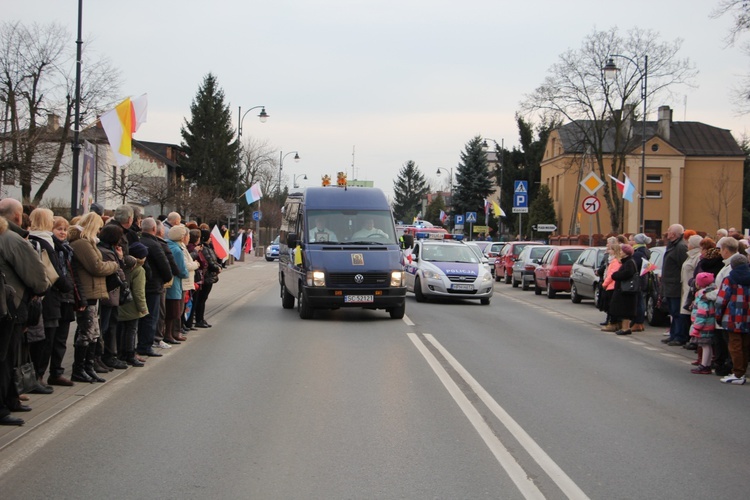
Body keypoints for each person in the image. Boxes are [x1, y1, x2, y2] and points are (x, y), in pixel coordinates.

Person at [0, 214, 48, 426]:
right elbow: (36, 274)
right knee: (7, 356)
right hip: (10, 305)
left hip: (10, 304)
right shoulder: (11, 239)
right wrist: (39, 289)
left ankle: (10, 399)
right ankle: (4, 405)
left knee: (10, 356)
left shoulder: (10, 238)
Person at [68, 212, 120, 382]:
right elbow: (96, 267)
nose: (99, 231)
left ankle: (88, 367)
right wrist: (114, 264)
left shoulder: (88, 243)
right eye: (98, 227)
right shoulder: (82, 244)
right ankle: (80, 368)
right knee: (87, 332)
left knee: (93, 332)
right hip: (87, 290)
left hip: (93, 290)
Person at [136, 218, 173, 354]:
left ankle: (142, 343)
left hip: (140, 284)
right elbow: (164, 265)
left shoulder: (138, 241)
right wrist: (166, 278)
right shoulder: (154, 244)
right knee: (151, 317)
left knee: (141, 317)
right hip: (153, 285)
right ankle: (145, 346)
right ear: (154, 229)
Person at [704, 236, 739, 376]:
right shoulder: (727, 264)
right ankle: (724, 363)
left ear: (725, 250)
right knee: (723, 339)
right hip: (724, 305)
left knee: (727, 341)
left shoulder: (732, 266)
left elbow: (724, 288)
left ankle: (728, 365)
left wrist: (709, 295)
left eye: (721, 250)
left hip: (727, 307)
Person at [714, 254, 750, 385]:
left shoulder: (730, 279)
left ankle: (737, 373)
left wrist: (718, 316)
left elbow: (721, 300)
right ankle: (742, 371)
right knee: (745, 346)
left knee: (735, 346)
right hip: (748, 317)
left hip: (733, 317)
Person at [117, 242, 149, 367]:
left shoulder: (123, 265)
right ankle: (130, 354)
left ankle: (121, 353)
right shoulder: (139, 270)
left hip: (121, 303)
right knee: (131, 330)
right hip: (132, 305)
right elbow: (138, 291)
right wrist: (143, 308)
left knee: (121, 330)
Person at [661, 224, 689, 346]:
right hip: (670, 284)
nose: (667, 233)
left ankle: (679, 336)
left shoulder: (680, 247)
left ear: (673, 234)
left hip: (675, 285)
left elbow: (683, 266)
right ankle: (673, 334)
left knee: (677, 312)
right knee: (673, 312)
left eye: (669, 231)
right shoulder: (672, 245)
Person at [689, 272, 717, 374]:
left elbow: (702, 312)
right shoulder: (710, 294)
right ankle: (707, 364)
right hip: (710, 323)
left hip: (704, 325)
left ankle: (704, 365)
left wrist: (697, 326)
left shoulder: (702, 297)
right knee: (708, 345)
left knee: (705, 345)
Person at [611, 244, 638, 335]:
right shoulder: (627, 261)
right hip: (625, 290)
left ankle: (626, 328)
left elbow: (627, 273)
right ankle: (625, 327)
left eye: (622, 251)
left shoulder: (629, 262)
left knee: (626, 310)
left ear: (626, 253)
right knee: (624, 310)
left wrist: (615, 275)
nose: (620, 252)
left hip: (626, 291)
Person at [630, 233, 652, 332]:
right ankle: (639, 323)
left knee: (639, 302)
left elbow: (634, 266)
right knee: (640, 301)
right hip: (643, 279)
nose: (630, 242)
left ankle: (638, 322)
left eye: (632, 240)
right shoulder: (645, 251)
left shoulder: (638, 253)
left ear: (637, 242)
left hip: (638, 280)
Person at [600, 239, 623, 332]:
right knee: (611, 306)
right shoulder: (614, 261)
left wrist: (604, 284)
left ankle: (613, 324)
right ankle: (613, 322)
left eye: (611, 249)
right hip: (611, 286)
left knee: (611, 307)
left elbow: (611, 275)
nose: (608, 251)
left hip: (612, 286)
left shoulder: (616, 262)